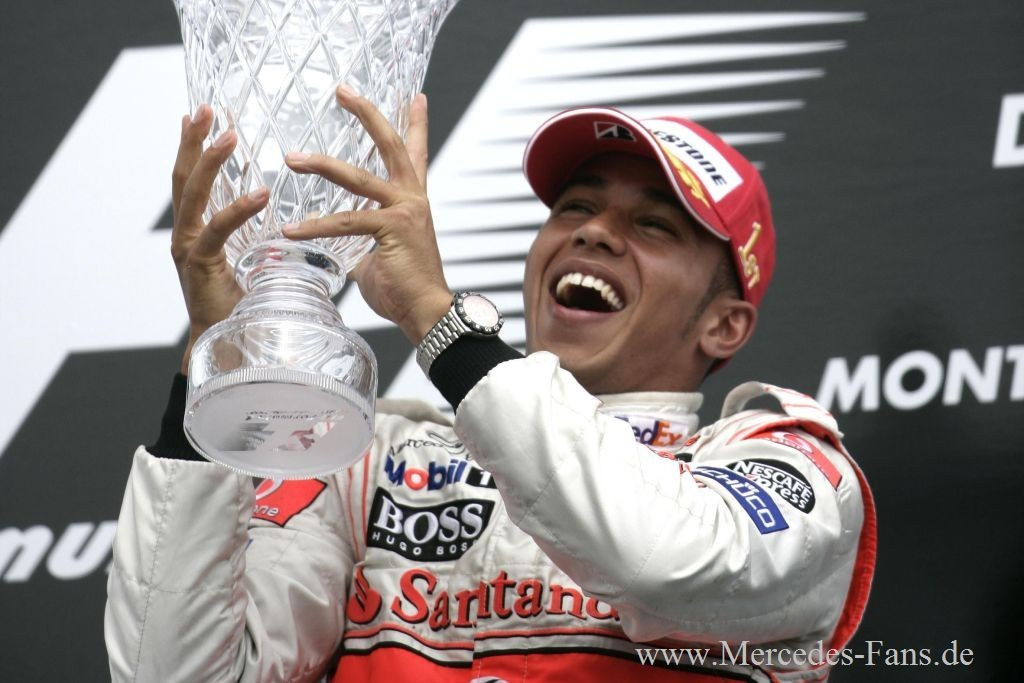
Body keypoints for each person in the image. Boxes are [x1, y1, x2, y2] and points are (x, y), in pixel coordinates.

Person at [105, 88, 876, 682]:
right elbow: (174, 673)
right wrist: (221, 364)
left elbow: (668, 564)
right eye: (576, 206)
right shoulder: (372, 458)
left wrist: (441, 325)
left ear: (724, 325)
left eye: (653, 226)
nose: (593, 230)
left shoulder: (788, 466)